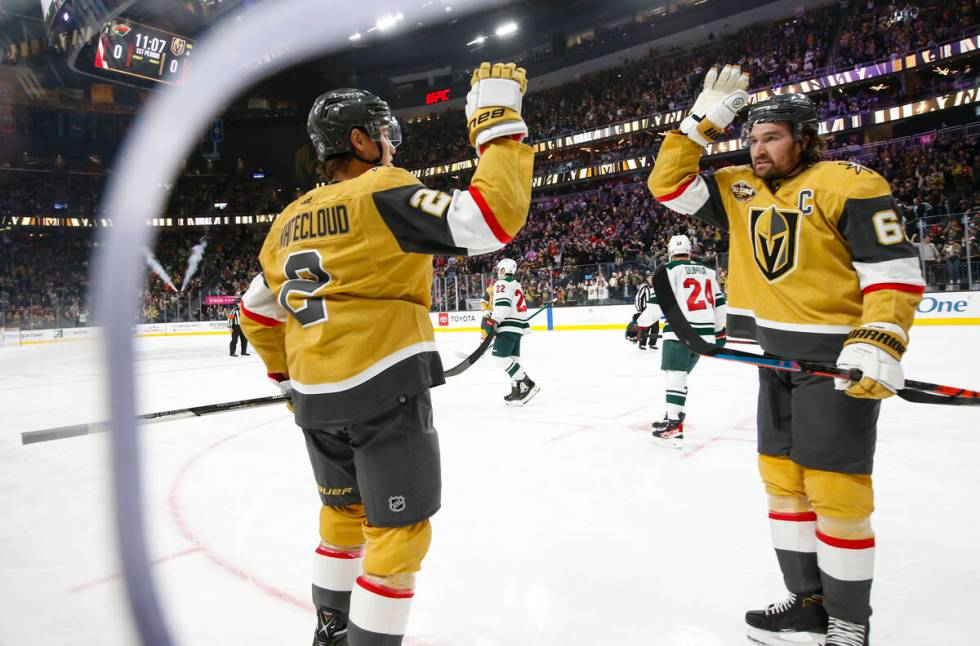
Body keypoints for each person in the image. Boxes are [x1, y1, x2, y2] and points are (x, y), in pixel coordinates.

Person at [239, 63, 533, 646]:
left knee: (341, 519)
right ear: (357, 139)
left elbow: (255, 313)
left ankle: (330, 631)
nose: (391, 143)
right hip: (381, 388)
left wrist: (284, 381)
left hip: (317, 406)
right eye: (383, 131)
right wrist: (497, 121)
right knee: (397, 534)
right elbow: (490, 219)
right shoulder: (380, 188)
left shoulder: (286, 223)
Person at [648, 65, 924, 645]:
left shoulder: (854, 184)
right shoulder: (737, 188)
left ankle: (850, 623)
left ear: (804, 138)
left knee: (836, 492)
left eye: (770, 137)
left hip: (835, 361)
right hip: (773, 362)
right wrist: (701, 126)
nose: (757, 148)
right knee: (785, 486)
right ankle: (808, 604)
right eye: (750, 138)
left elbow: (893, 272)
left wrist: (883, 336)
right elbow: (667, 185)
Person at [642, 235, 726, 447]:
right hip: (703, 337)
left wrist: (638, 325)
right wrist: (720, 333)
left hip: (680, 333)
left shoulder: (668, 270)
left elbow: (655, 305)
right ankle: (673, 415)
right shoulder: (708, 271)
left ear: (670, 251)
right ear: (690, 251)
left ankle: (674, 424)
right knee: (680, 378)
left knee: (675, 376)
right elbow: (720, 304)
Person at [486, 257, 539, 405]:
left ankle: (527, 383)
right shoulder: (516, 284)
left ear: (503, 270)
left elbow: (503, 306)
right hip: (518, 327)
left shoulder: (501, 283)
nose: (498, 272)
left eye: (499, 269)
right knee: (513, 360)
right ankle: (517, 391)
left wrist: (494, 321)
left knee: (499, 358)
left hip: (507, 325)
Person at [633, 271, 661, 350]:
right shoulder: (644, 287)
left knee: (656, 328)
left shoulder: (657, 287)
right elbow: (638, 298)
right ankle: (642, 344)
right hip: (645, 310)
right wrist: (639, 310)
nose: (651, 279)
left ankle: (652, 344)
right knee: (645, 327)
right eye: (649, 277)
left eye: (652, 277)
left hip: (655, 310)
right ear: (647, 279)